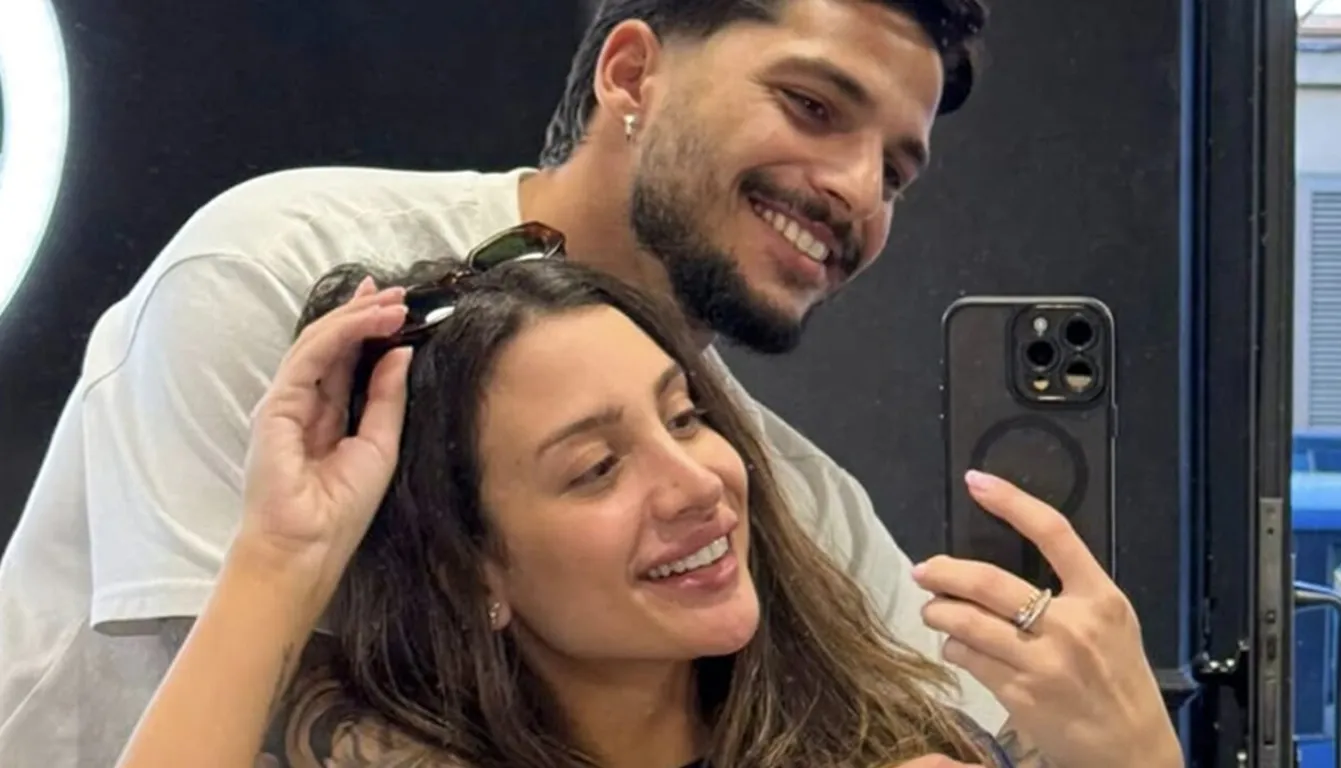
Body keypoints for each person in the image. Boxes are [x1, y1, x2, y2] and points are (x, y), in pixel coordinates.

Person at [0, 1, 1181, 766]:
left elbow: (984, 729)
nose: (858, 192)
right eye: (813, 106)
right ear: (632, 71)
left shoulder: (787, 501)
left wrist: (1122, 743)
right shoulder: (281, 280)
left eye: (896, 171)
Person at [118, 254, 1023, 767]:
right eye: (596, 468)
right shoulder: (367, 746)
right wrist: (281, 554)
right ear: (469, 571)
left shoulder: (899, 746)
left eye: (685, 417)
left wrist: (1104, 743)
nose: (697, 484)